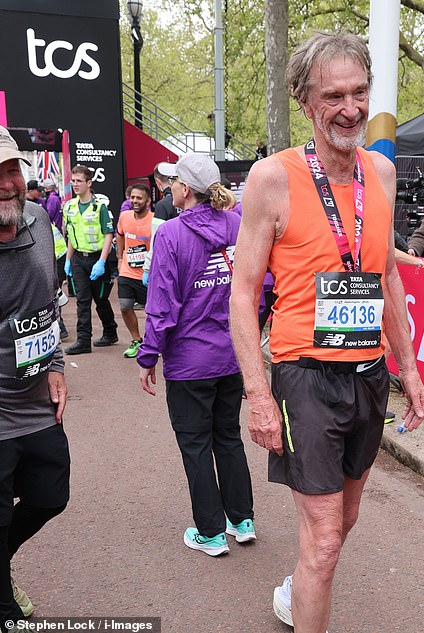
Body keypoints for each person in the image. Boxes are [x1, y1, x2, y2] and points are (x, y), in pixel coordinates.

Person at [230, 32, 424, 633]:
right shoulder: (274, 178)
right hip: (306, 377)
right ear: (306, 102)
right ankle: (307, 587)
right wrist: (259, 394)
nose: (350, 108)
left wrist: (411, 370)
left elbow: (388, 275)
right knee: (324, 543)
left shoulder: (383, 173)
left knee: (343, 523)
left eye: (359, 92)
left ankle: (296, 589)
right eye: (333, 96)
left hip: (367, 375)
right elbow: (242, 292)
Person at [138, 154, 255, 557]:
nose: (169, 187)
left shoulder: (170, 233)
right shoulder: (237, 224)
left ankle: (210, 532)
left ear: (185, 189)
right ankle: (241, 520)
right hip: (231, 355)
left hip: (190, 361)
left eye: (174, 182)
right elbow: (259, 286)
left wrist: (148, 355)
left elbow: (162, 303)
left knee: (195, 444)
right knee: (228, 437)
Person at [0, 126, 70, 632]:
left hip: (35, 402)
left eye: (11, 169)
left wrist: (58, 366)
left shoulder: (39, 220)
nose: (7, 183)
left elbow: (46, 304)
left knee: (51, 495)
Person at [63, 165, 118, 354]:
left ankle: (110, 332)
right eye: (73, 181)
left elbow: (108, 234)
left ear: (89, 183)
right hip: (78, 259)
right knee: (82, 301)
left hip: (96, 259)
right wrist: (68, 260)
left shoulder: (99, 207)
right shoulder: (69, 206)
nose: (75, 184)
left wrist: (102, 261)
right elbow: (71, 234)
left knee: (101, 299)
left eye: (79, 181)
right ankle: (83, 341)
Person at [116, 184, 153, 358]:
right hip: (127, 271)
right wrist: (121, 258)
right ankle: (137, 340)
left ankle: (153, 342)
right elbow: (120, 234)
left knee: (152, 310)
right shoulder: (124, 216)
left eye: (139, 198)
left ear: (148, 201)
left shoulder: (154, 221)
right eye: (132, 197)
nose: (135, 201)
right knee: (125, 306)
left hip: (148, 274)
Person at [142, 164, 180, 287]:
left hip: (168, 262)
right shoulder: (187, 200)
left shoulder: (163, 205)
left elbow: (156, 240)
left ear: (158, 182)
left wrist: (147, 268)